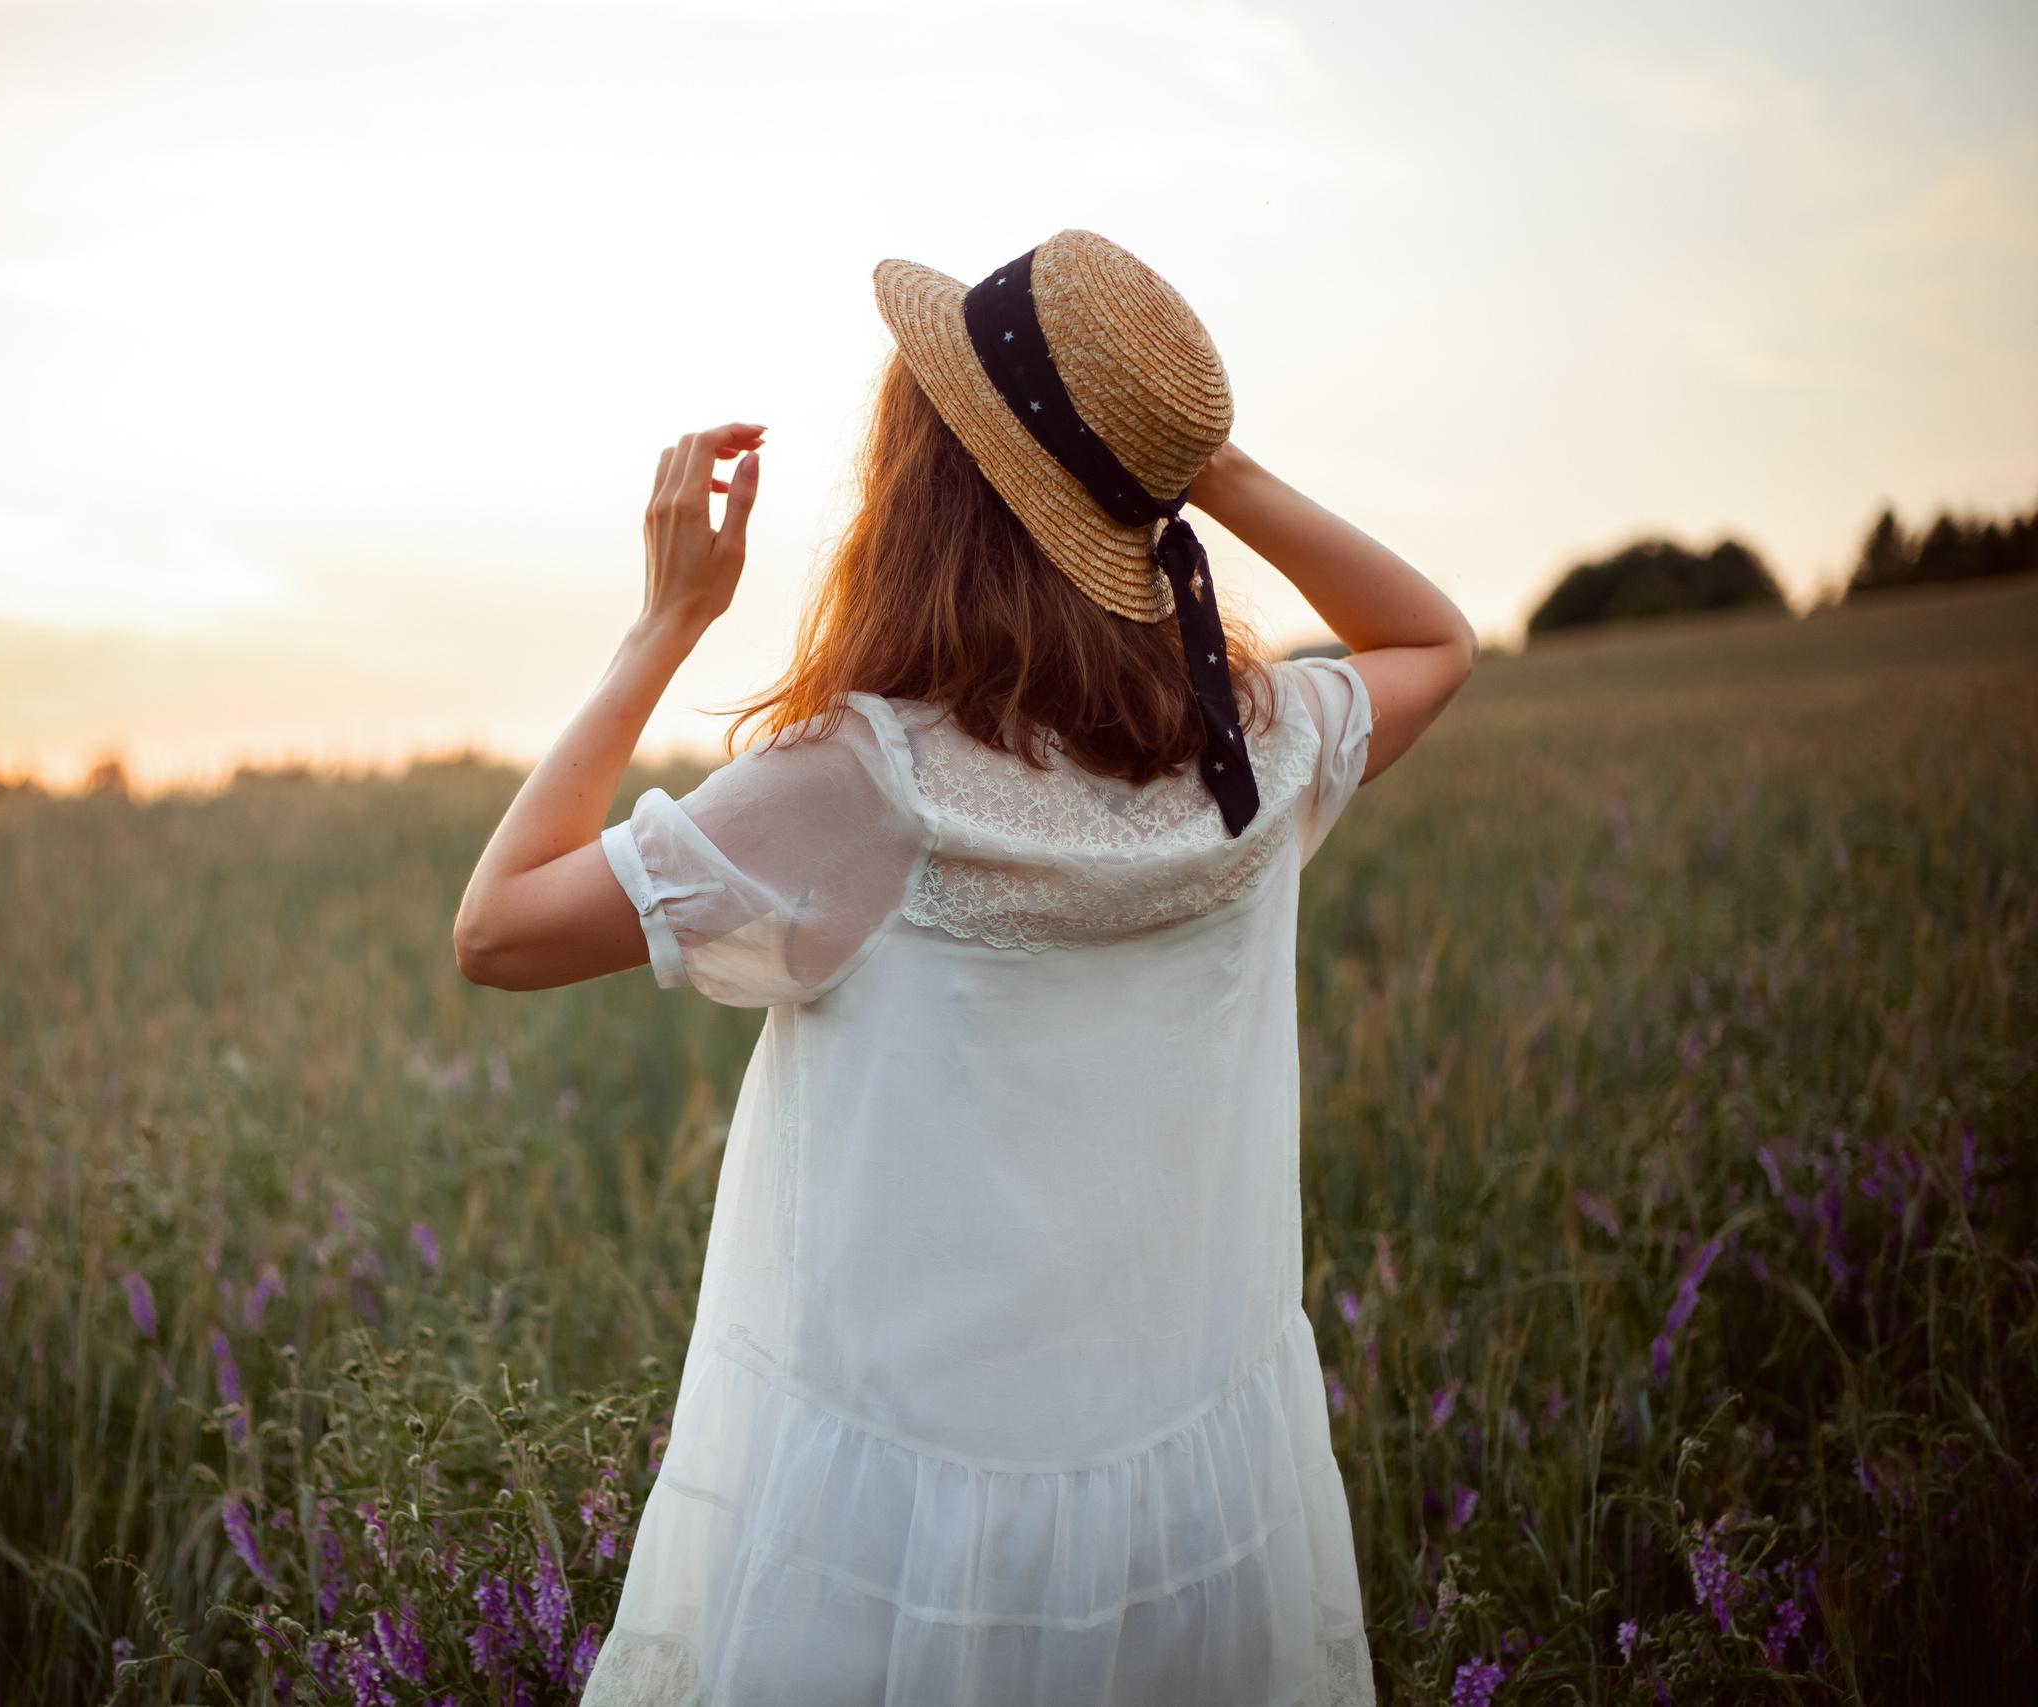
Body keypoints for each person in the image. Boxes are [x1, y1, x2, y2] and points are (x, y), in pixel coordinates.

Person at [454, 230, 1475, 1707]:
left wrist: (663, 621)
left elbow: (495, 928)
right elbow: (1435, 638)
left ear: (927, 488)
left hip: (897, 1541)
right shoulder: (1255, 750)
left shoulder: (865, 785)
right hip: (1194, 1503)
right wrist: (1193, 464)